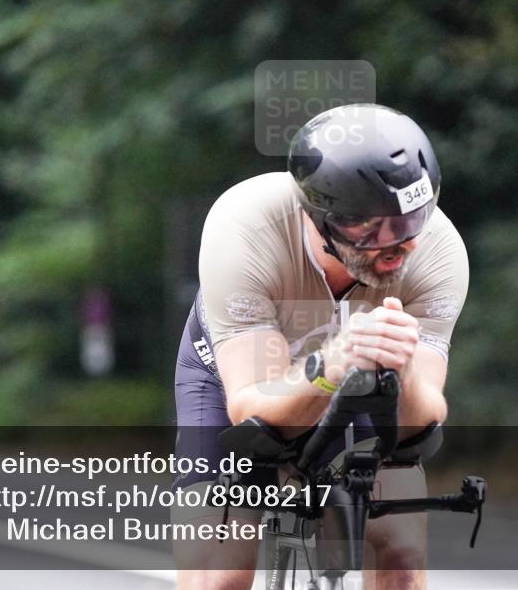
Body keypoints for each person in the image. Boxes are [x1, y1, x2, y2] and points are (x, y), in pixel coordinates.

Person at [172, 103, 469, 590]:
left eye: (414, 217)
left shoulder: (438, 251)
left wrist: (406, 369)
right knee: (219, 572)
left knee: (403, 554)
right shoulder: (243, 227)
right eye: (373, 229)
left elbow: (420, 426)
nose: (400, 245)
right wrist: (332, 362)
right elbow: (251, 407)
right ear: (320, 217)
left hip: (370, 379)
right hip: (243, 377)